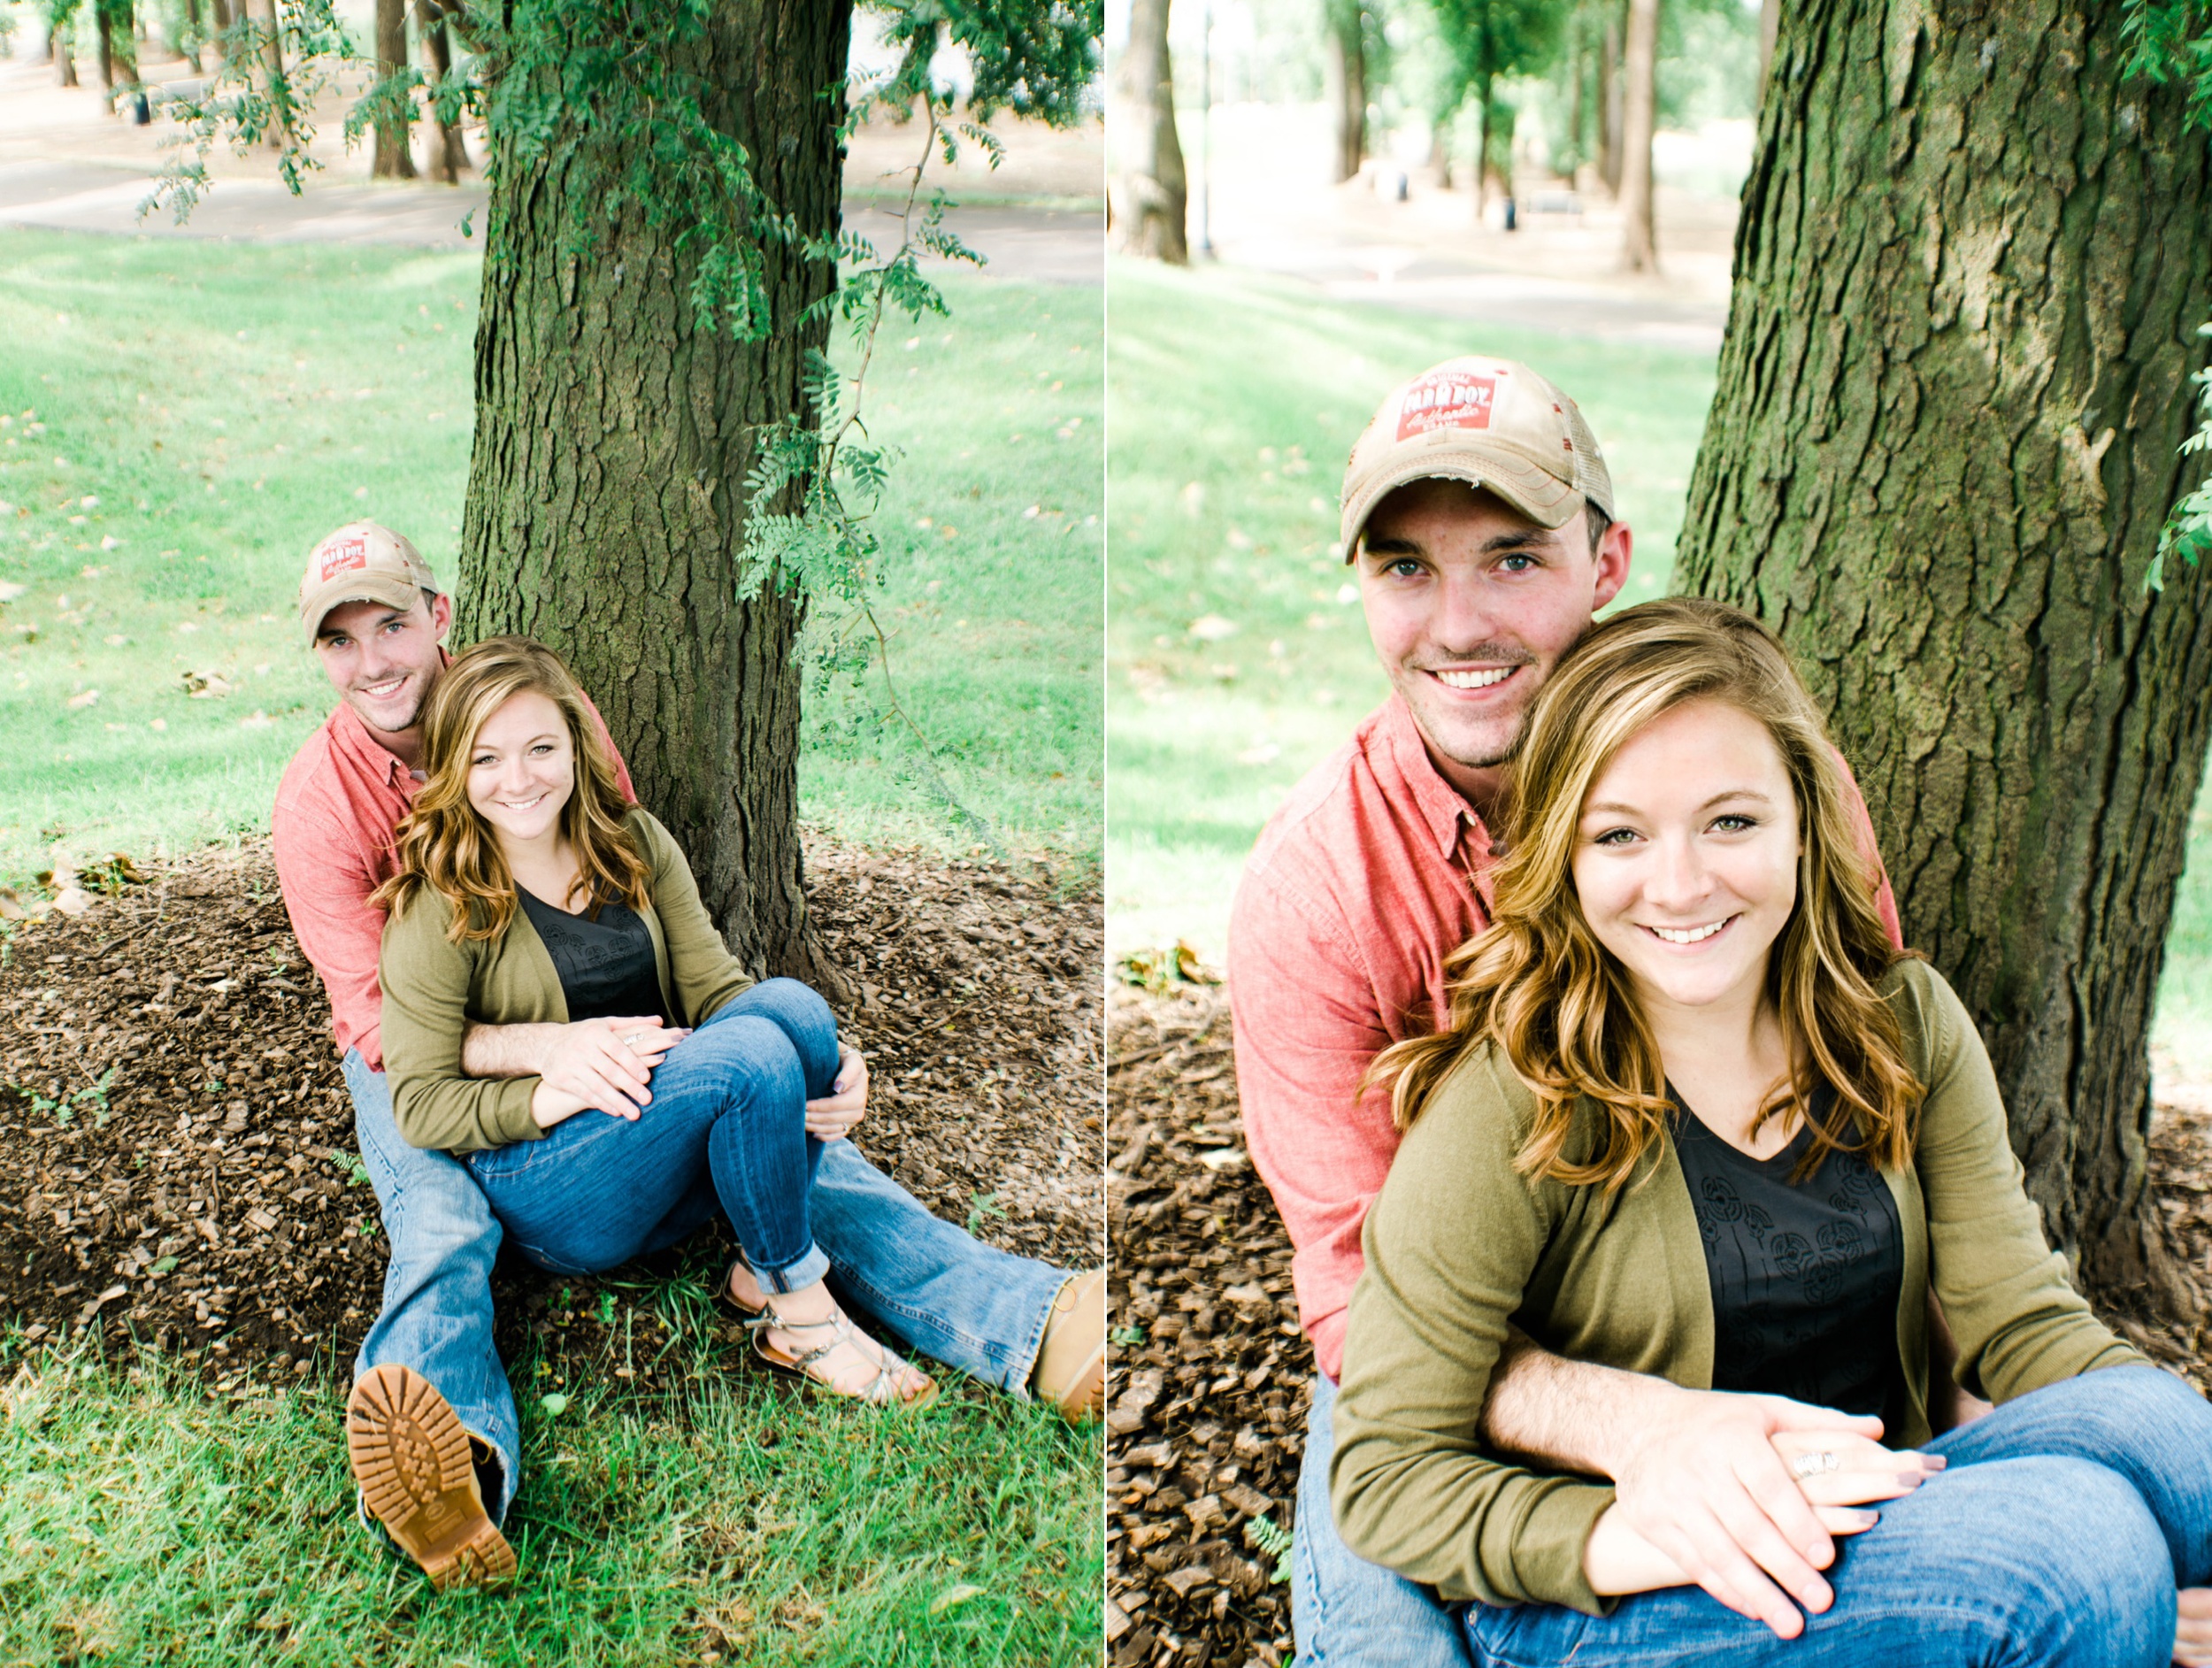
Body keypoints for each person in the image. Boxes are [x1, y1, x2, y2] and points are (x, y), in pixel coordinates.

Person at [1226, 357, 1953, 1664]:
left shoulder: (1769, 784)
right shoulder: (1319, 894)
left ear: (1608, 559)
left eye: (1512, 560)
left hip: (1750, 1304)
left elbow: (1872, 1071)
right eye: (1406, 569)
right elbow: (1357, 1310)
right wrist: (1636, 1429)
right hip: (1449, 1373)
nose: (1458, 626)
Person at [1329, 596, 2212, 1664]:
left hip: (1876, 1520)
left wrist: (2163, 1515)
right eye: (1620, 835)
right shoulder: (1511, 1104)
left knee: (2166, 1437)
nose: (1682, 882)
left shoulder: (1902, 1026)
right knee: (2080, 1553)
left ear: (1805, 819)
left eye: (1730, 821)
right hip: (1629, 1593)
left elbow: (2023, 1327)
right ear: (1562, 856)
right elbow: (1384, 1477)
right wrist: (1622, 1533)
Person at [271, 523, 1105, 1589]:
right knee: (443, 1224)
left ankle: (1014, 1318)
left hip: (615, 1055)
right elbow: (395, 1040)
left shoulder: (557, 743)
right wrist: (548, 1060)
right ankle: (458, 1464)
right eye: (342, 641)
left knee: (779, 1061)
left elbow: (632, 876)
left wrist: (822, 1060)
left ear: (439, 618)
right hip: (421, 1055)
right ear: (324, 660)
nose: (374, 658)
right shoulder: (326, 808)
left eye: (391, 622)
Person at [374, 635, 936, 1415]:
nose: (519, 780)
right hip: (550, 1179)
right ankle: (801, 1317)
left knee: (796, 1013)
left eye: (541, 747)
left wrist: (833, 1062)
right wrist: (551, 1092)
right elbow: (421, 1104)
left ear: (576, 745)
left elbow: (717, 990)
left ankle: (757, 1268)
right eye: (486, 759)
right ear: (454, 771)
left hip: (658, 1131)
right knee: (746, 1058)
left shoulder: (633, 842)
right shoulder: (437, 904)